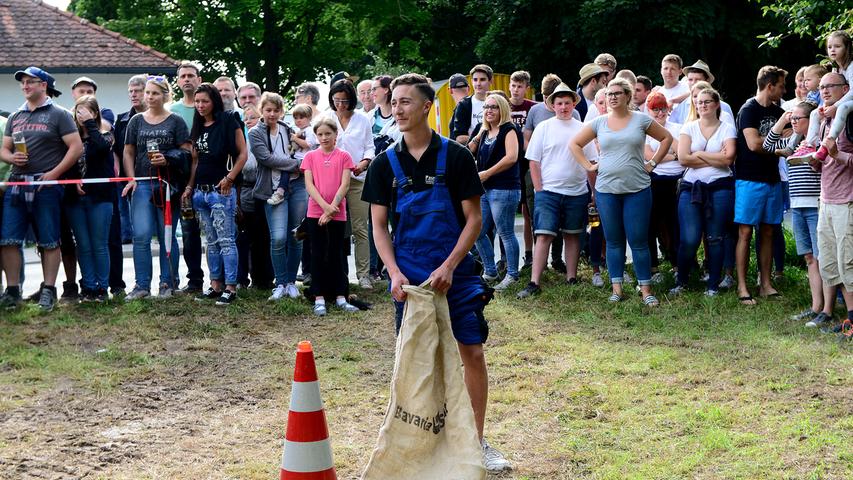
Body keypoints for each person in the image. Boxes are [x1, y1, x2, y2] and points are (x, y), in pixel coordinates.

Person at [362, 73, 512, 473]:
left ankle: (475, 444)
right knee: (416, 363)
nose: (398, 108)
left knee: (472, 353)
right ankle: (423, 444)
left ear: (428, 106)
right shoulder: (383, 163)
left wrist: (449, 265)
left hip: (457, 276)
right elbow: (379, 226)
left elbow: (474, 219)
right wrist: (393, 273)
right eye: (394, 101)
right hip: (409, 284)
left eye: (406, 101)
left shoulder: (457, 157)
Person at [569, 78, 673, 307]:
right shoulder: (599, 123)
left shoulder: (641, 120)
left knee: (638, 241)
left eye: (617, 93)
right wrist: (589, 166)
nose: (613, 97)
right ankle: (616, 289)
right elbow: (575, 144)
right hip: (607, 190)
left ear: (627, 96)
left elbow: (667, 138)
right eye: (609, 94)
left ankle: (645, 289)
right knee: (614, 241)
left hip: (637, 189)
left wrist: (653, 163)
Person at [0, 66, 83, 311]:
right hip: (17, 181)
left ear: (43, 85)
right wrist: (11, 159)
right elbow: (4, 149)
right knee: (8, 239)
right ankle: (13, 291)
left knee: (49, 240)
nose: (25, 86)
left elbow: (76, 147)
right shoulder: (15, 116)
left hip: (46, 185)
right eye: (23, 82)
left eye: (31, 82)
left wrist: (53, 175)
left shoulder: (59, 114)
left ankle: (49, 290)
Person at [517, 83, 598, 298]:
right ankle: (534, 281)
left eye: (567, 103)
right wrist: (539, 189)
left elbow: (590, 162)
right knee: (543, 235)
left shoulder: (582, 129)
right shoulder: (544, 128)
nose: (563, 107)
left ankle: (571, 277)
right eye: (559, 103)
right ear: (552, 105)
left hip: (577, 191)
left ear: (574, 105)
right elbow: (534, 161)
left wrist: (593, 192)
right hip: (549, 191)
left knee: (572, 235)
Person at [121, 76, 190, 300]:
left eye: (155, 93)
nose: (150, 97)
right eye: (147, 93)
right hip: (141, 184)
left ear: (165, 95)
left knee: (166, 236)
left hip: (168, 186)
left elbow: (187, 153)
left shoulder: (176, 121)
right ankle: (141, 285)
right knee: (140, 235)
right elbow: (128, 152)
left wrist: (167, 158)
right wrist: (131, 179)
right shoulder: (136, 121)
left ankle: (168, 282)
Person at [763, 101, 831, 324]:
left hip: (815, 205)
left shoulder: (819, 142)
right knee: (810, 257)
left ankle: (827, 309)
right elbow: (768, 145)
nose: (793, 121)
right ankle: (815, 306)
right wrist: (783, 120)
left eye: (798, 118)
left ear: (811, 120)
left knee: (823, 258)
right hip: (798, 205)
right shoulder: (793, 143)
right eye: (792, 118)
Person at [183, 83, 247, 306]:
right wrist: (190, 187)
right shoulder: (198, 126)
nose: (200, 106)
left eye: (205, 101)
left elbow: (243, 154)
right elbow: (195, 161)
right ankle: (215, 284)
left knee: (227, 240)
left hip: (221, 191)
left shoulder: (228, 120)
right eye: (197, 102)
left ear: (214, 102)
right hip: (200, 192)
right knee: (210, 242)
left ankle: (231, 287)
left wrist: (229, 178)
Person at [669, 88, 737, 296]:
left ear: (717, 104)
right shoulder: (688, 128)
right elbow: (683, 159)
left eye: (707, 102)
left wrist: (697, 153)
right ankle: (682, 280)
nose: (703, 105)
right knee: (689, 238)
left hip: (720, 187)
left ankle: (713, 285)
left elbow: (728, 159)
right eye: (699, 102)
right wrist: (712, 155)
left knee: (715, 237)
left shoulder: (727, 128)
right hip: (692, 187)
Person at [733, 65, 787, 305]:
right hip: (749, 179)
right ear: (769, 86)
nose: (784, 90)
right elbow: (754, 144)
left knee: (768, 231)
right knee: (745, 232)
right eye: (782, 86)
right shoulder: (748, 110)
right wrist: (777, 142)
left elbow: (791, 137)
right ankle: (742, 287)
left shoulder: (780, 111)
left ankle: (765, 284)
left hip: (772, 179)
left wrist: (778, 142)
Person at [250, 92, 307, 301]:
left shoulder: (287, 129)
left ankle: (291, 282)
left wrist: (302, 163)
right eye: (268, 110)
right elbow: (267, 158)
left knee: (296, 235)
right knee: (278, 237)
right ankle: (280, 282)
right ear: (261, 111)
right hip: (272, 189)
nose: (272, 114)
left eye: (276, 110)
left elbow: (300, 148)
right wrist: (299, 166)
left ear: (282, 111)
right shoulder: (255, 133)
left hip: (297, 186)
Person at [301, 116, 360, 315]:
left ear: (336, 135)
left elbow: (345, 184)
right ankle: (318, 297)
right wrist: (325, 208)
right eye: (320, 134)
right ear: (315, 136)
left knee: (336, 253)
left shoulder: (344, 156)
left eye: (328, 133)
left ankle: (341, 295)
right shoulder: (310, 157)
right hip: (315, 211)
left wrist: (332, 207)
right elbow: (310, 185)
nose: (324, 137)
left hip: (338, 212)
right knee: (317, 253)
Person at [808, 72, 853, 332]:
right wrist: (817, 162)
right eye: (821, 87)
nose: (824, 91)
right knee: (831, 262)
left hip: (847, 201)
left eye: (830, 87)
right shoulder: (825, 121)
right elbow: (826, 163)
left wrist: (838, 155)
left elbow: (843, 158)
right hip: (826, 200)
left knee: (848, 262)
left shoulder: (849, 119)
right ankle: (849, 317)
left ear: (845, 89)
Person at [467, 93, 521, 291]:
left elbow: (512, 157)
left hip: (504, 188)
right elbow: (468, 150)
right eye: (486, 107)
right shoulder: (485, 132)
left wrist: (487, 174)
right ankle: (490, 271)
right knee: (478, 231)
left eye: (494, 107)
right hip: (484, 189)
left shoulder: (509, 130)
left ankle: (512, 275)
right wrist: (480, 132)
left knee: (505, 232)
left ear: (502, 109)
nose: (489, 110)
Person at [64, 95, 115, 302]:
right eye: (78, 111)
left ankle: (102, 288)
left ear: (95, 113)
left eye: (85, 111)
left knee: (99, 244)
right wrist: (73, 180)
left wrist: (89, 125)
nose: (80, 115)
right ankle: (89, 286)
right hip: (75, 198)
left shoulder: (106, 134)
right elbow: (67, 162)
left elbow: (102, 149)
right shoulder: (70, 138)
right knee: (83, 245)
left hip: (101, 198)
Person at [327, 79, 375, 289]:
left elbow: (369, 147)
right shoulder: (326, 118)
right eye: (336, 100)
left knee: (360, 228)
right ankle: (336, 273)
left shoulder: (362, 119)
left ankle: (364, 275)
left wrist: (364, 163)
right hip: (333, 180)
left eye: (345, 101)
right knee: (334, 228)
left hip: (357, 180)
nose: (340, 105)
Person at [169, 62, 205, 294]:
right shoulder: (171, 110)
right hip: (183, 180)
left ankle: (222, 280)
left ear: (199, 79)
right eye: (183, 76)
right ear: (178, 81)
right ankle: (194, 280)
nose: (187, 79)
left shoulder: (207, 106)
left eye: (191, 75)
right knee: (189, 231)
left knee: (214, 232)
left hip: (210, 175)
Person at [643, 91, 682, 282]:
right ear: (648, 111)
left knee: (675, 224)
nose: (660, 113)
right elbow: (648, 156)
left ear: (668, 109)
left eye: (663, 109)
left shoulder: (677, 127)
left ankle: (677, 265)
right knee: (651, 223)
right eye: (655, 110)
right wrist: (673, 154)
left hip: (677, 179)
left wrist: (670, 154)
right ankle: (653, 268)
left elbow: (682, 152)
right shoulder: (644, 130)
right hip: (655, 180)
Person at [235, 104, 273, 290]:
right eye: (246, 118)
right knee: (246, 237)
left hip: (267, 193)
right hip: (246, 192)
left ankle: (264, 279)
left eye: (252, 117)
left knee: (264, 237)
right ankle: (244, 278)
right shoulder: (241, 141)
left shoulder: (268, 139)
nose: (248, 121)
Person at [508, 70, 537, 268]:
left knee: (529, 212)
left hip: (527, 163)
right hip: (508, 165)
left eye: (520, 86)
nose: (516, 90)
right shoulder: (503, 105)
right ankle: (506, 259)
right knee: (506, 214)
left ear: (527, 88)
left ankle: (531, 255)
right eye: (513, 85)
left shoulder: (534, 108)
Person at [814, 31, 853, 162]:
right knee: (815, 114)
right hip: (846, 102)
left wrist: (835, 106)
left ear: (846, 48)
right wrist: (824, 106)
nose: (832, 50)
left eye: (837, 46)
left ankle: (828, 143)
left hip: (847, 103)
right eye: (830, 47)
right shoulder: (836, 70)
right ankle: (810, 145)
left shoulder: (851, 67)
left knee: (842, 108)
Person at [268, 104, 317, 206]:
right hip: (298, 157)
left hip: (304, 159)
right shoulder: (300, 130)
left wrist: (295, 139)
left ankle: (280, 192)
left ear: (309, 118)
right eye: (296, 118)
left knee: (286, 168)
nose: (298, 120)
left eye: (301, 117)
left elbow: (308, 145)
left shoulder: (310, 130)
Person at [669, 60, 735, 124]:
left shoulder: (724, 107)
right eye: (690, 79)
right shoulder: (680, 108)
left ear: (707, 81)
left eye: (698, 80)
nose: (693, 83)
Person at [450, 64, 493, 144]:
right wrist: (485, 138)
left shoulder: (499, 102)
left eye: (482, 79)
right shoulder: (464, 105)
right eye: (475, 80)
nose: (478, 83)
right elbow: (459, 138)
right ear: (472, 82)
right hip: (472, 154)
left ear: (490, 81)